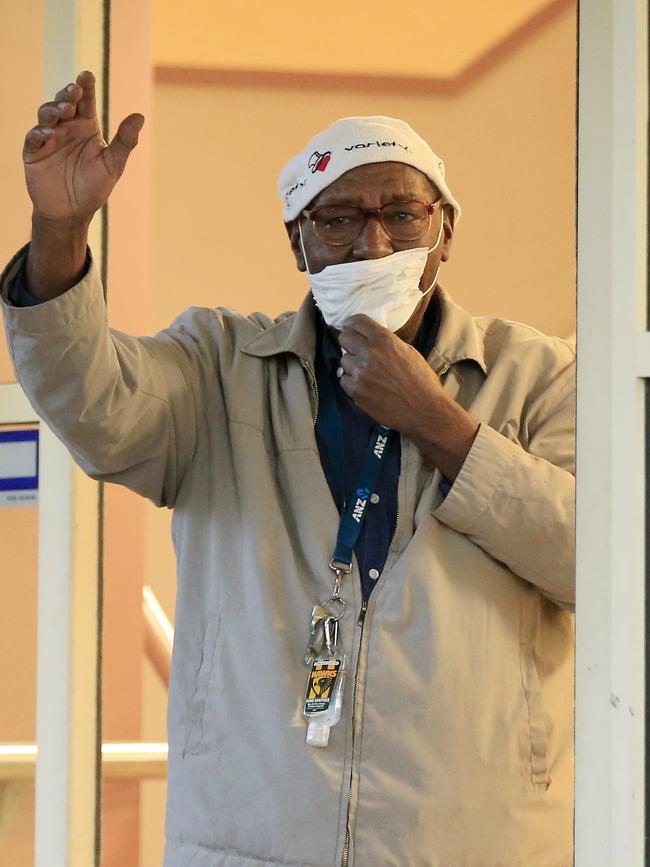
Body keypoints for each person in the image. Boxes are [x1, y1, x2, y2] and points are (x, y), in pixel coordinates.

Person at [1, 71, 575, 867]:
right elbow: (92, 401)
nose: (373, 244)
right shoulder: (221, 367)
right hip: (249, 839)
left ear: (446, 229)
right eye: (338, 219)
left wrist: (441, 426)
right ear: (296, 240)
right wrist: (59, 232)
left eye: (402, 215)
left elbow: (602, 562)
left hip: (475, 842)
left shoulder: (542, 375)